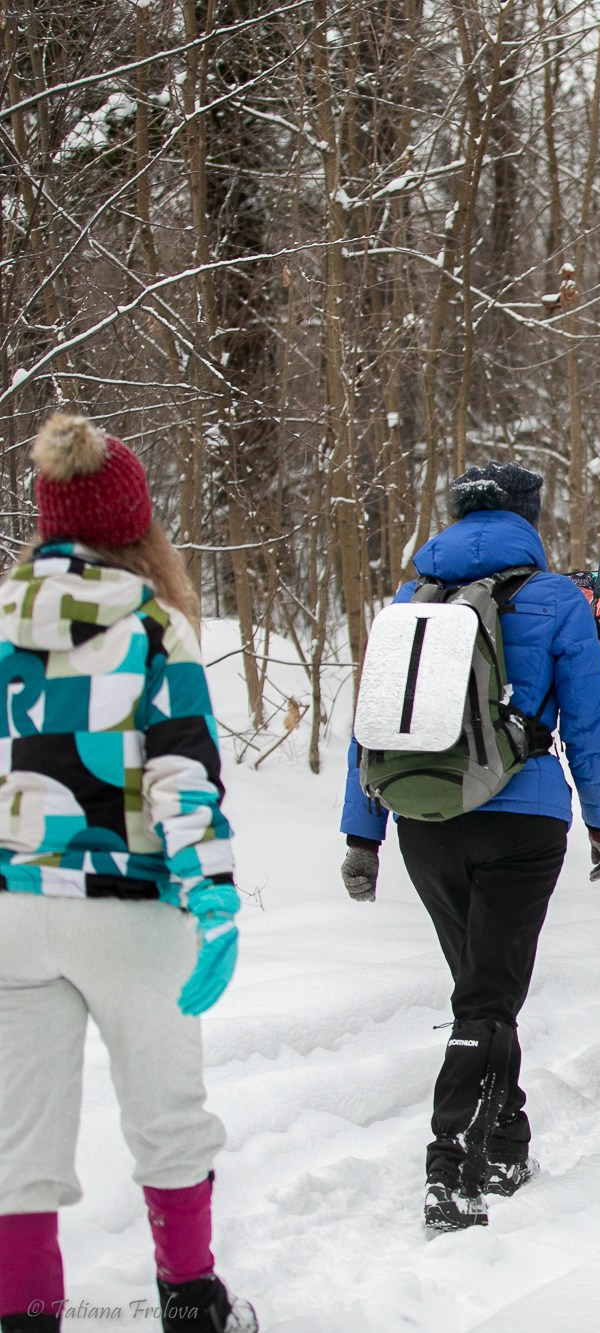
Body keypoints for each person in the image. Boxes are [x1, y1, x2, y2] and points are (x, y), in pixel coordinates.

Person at [0, 414, 255, 1332]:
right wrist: (212, 890)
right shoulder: (152, 625)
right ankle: (193, 1302)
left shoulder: (0, 620)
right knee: (168, 1114)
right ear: (134, 523)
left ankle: (22, 1315)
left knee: (17, 1140)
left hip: (13, 911)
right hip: (130, 905)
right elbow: (181, 769)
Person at [339, 462, 600, 1234]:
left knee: (483, 986)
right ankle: (451, 1167)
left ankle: (504, 1142)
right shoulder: (558, 597)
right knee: (489, 995)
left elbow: (372, 724)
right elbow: (592, 726)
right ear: (528, 516)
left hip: (421, 823)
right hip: (521, 821)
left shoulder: (408, 599)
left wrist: (362, 835)